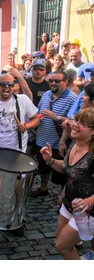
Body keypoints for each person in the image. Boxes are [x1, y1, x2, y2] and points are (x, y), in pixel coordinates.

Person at [40, 108, 94, 260]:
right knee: (61, 241)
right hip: (69, 204)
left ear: (93, 133)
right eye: (76, 120)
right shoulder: (75, 145)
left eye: (83, 123)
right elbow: (66, 168)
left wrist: (89, 202)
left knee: (62, 246)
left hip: (88, 212)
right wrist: (50, 160)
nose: (75, 125)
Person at [31, 70, 77, 197]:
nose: (53, 83)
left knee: (62, 173)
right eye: (51, 81)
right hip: (42, 139)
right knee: (43, 168)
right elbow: (38, 112)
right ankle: (43, 188)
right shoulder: (46, 94)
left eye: (57, 81)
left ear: (66, 82)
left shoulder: (72, 98)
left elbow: (73, 121)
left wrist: (56, 117)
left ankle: (63, 199)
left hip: (58, 143)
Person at [0, 73, 40, 153]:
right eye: (3, 84)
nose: (6, 86)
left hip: (18, 152)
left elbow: (36, 119)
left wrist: (26, 126)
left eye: (10, 84)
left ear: (13, 86)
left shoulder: (23, 100)